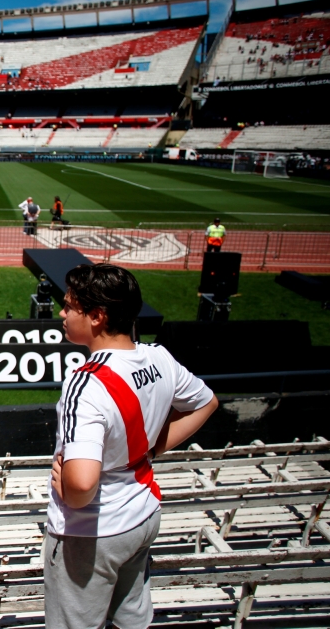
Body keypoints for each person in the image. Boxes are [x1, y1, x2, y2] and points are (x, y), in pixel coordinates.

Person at [46, 264, 219, 629]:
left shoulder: (86, 384)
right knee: (132, 618)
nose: (61, 314)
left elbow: (80, 486)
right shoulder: (159, 357)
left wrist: (66, 488)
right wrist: (150, 451)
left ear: (96, 316)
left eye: (68, 306)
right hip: (143, 513)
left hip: (93, 532)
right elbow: (207, 403)